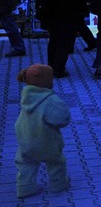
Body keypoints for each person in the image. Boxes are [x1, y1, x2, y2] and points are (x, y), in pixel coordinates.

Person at [14, 64, 71, 198]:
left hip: (25, 140)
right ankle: (58, 184)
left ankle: (25, 187)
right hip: (46, 141)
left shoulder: (26, 97)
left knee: (25, 164)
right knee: (56, 162)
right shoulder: (51, 100)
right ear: (48, 81)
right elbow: (62, 119)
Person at [36, 0, 87, 78]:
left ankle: (51, 66)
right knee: (65, 42)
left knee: (54, 40)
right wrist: (83, 11)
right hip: (68, 14)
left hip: (51, 13)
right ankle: (59, 69)